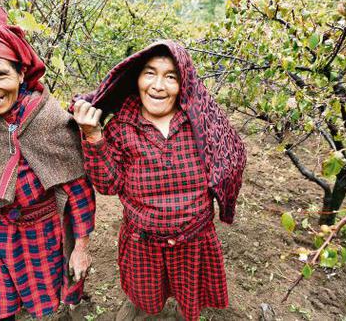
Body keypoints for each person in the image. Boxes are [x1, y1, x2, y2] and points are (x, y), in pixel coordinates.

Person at [72, 41, 247, 321]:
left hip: (194, 239)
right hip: (143, 241)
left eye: (170, 76)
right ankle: (139, 305)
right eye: (150, 73)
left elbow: (232, 154)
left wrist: (221, 195)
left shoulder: (201, 122)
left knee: (189, 295)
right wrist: (93, 136)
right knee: (144, 293)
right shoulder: (121, 127)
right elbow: (108, 185)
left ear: (184, 84)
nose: (158, 85)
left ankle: (182, 311)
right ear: (137, 79)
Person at [0, 6, 95, 320]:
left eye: (0, 74)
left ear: (21, 73)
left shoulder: (48, 118)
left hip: (44, 232)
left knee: (48, 302)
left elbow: (78, 189)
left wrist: (81, 247)